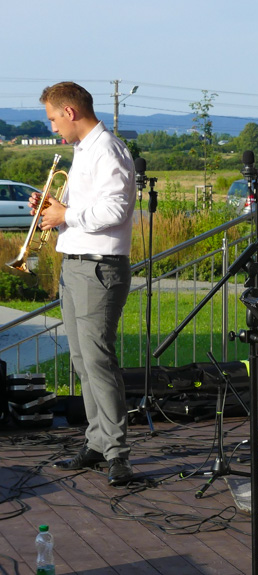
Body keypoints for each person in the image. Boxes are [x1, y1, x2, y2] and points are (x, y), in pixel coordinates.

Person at [32, 82, 136, 487]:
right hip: (76, 265)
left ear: (70, 112)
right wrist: (54, 210)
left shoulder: (107, 149)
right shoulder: (82, 151)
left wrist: (67, 215)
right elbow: (79, 209)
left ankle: (117, 453)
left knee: (97, 360)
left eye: (54, 118)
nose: (54, 127)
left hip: (99, 268)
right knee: (82, 361)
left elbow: (116, 208)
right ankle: (97, 442)